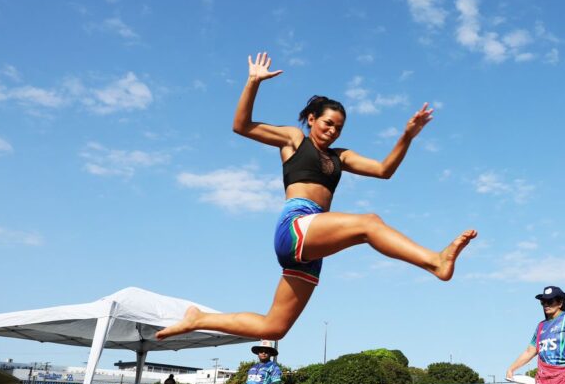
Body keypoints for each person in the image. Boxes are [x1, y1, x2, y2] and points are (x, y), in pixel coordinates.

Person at [158, 52, 476, 342]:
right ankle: (435, 261)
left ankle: (199, 319)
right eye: (327, 123)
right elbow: (241, 125)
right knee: (369, 224)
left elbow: (384, 170)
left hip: (312, 244)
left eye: (338, 128)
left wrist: (407, 136)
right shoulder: (294, 139)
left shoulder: (341, 156)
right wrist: (253, 82)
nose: (333, 131)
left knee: (274, 328)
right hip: (297, 223)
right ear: (311, 119)